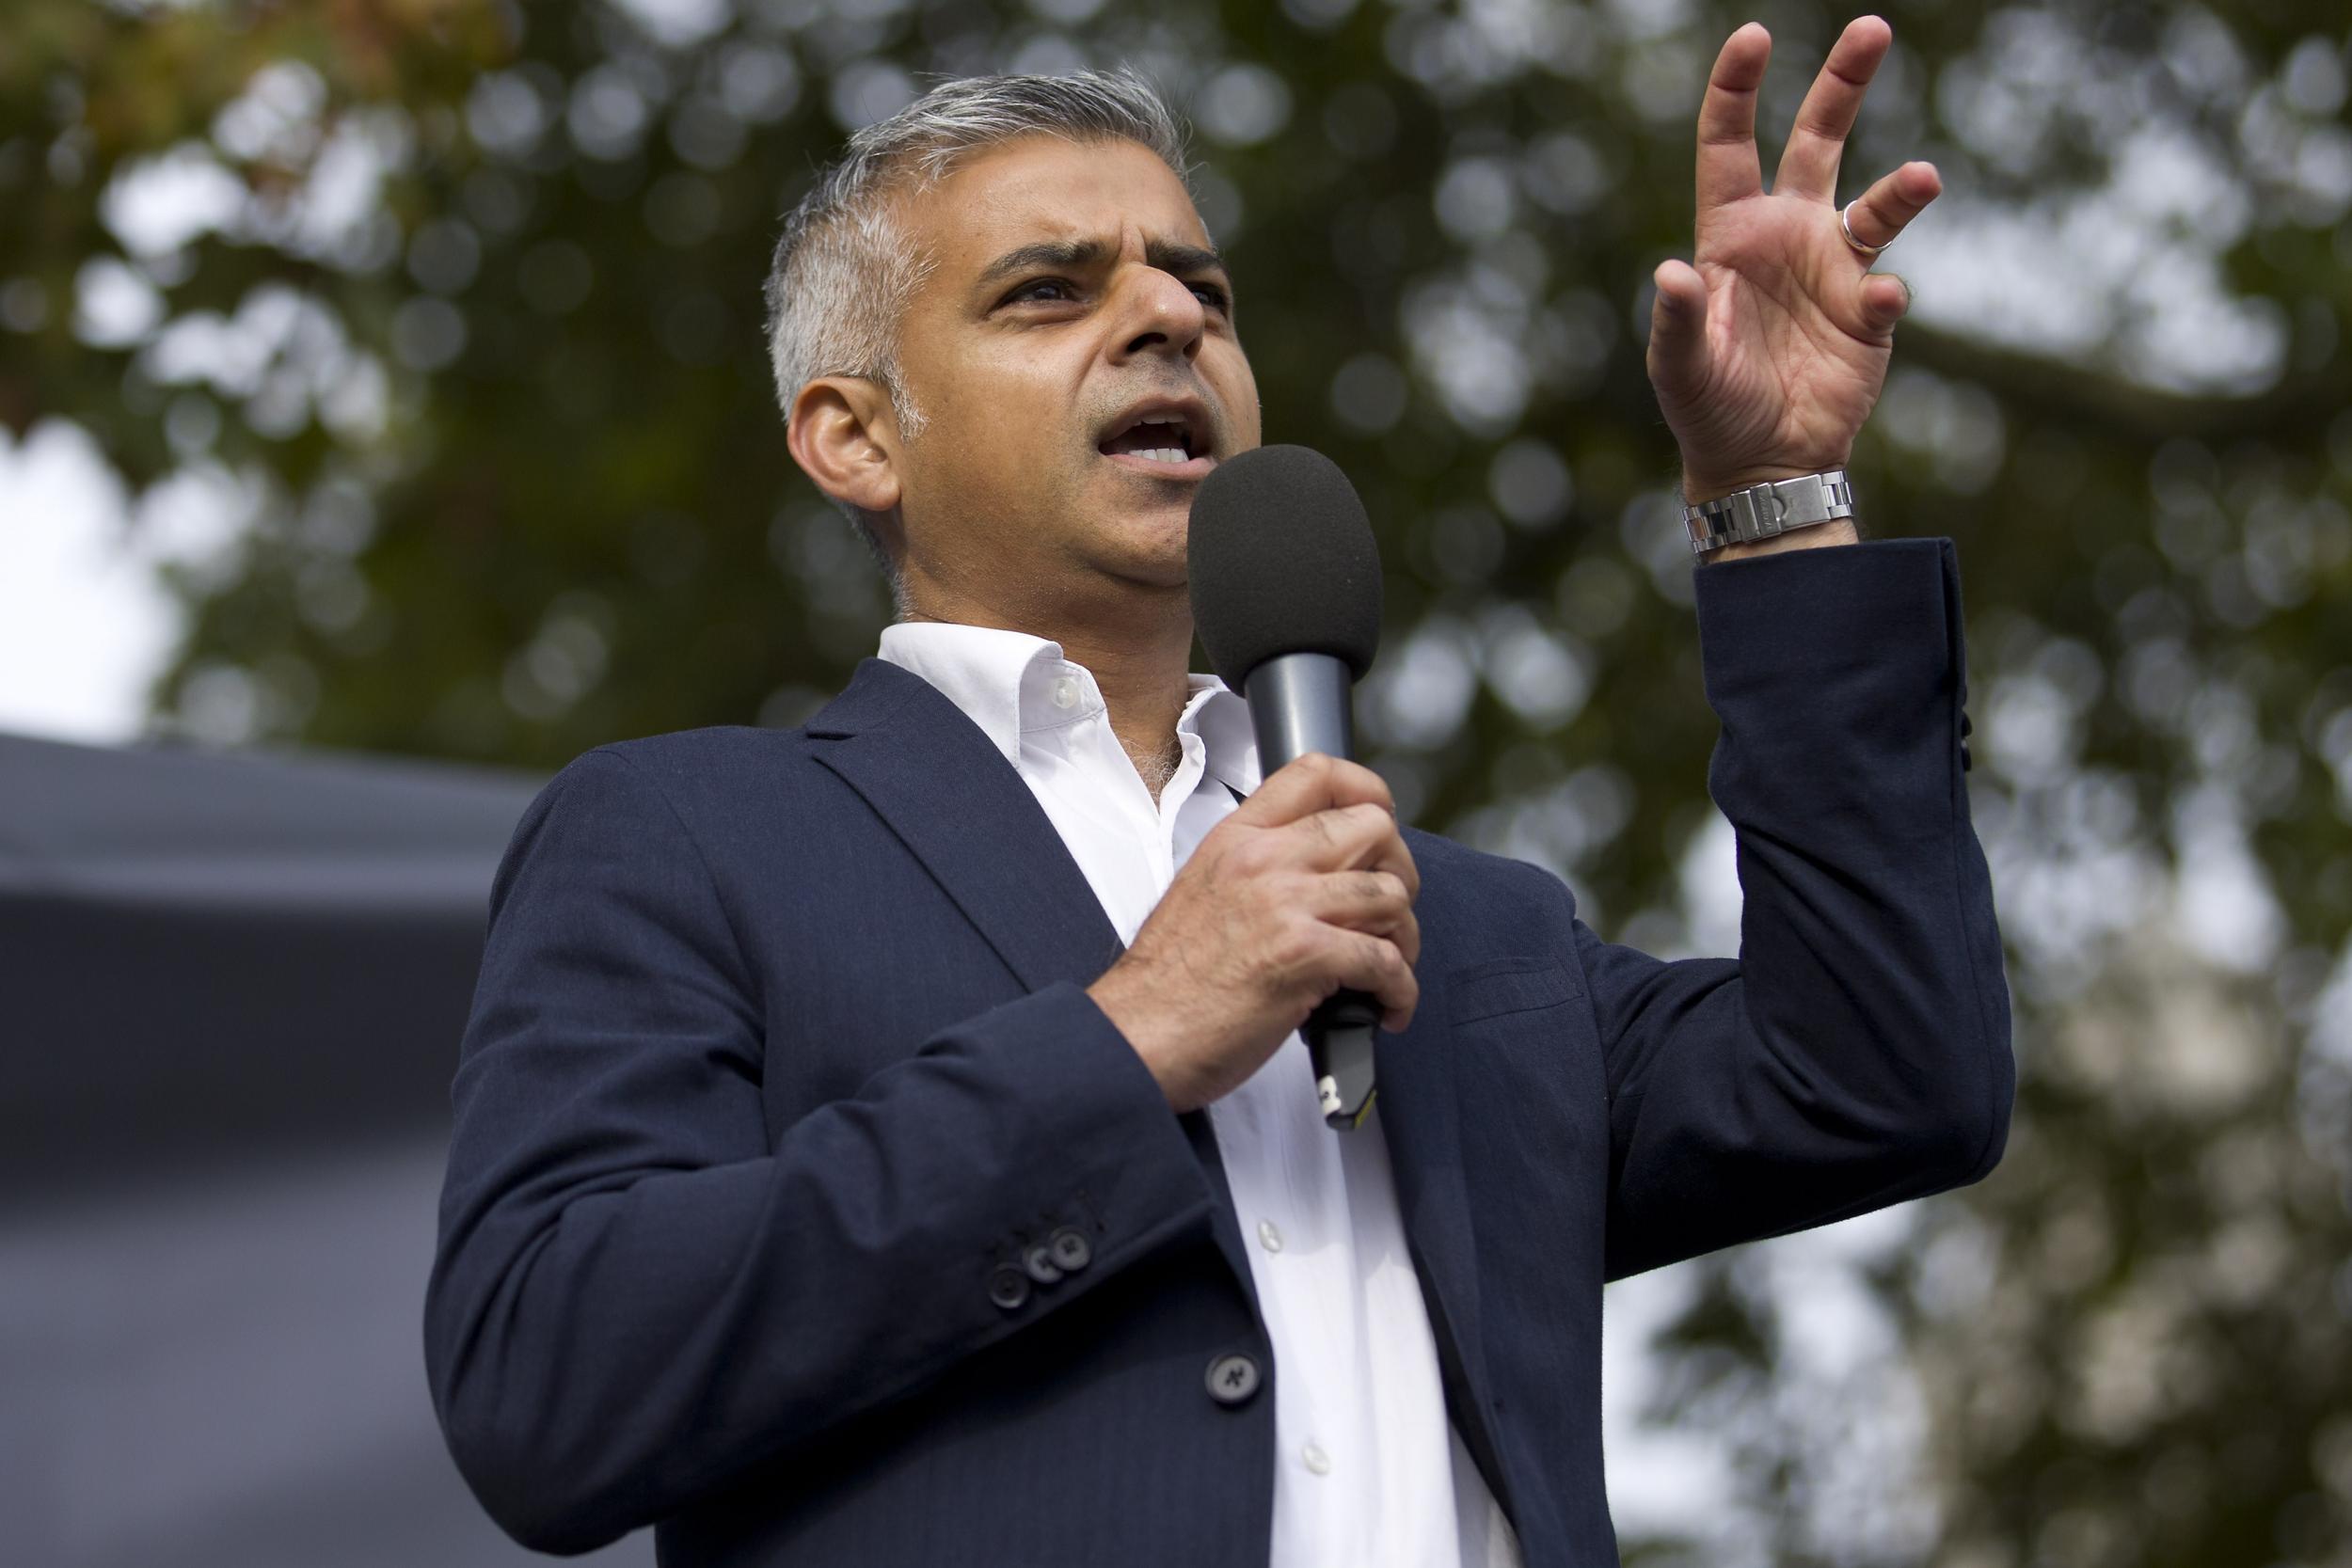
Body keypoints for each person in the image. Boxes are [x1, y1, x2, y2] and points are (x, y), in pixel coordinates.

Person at [424, 19, 2011, 1568]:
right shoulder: (692, 838)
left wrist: (1773, 504)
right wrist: (1126, 1044)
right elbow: (549, 1377)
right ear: (853, 437)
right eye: (1050, 291)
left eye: (1203, 291)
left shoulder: (1470, 927)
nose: (1167, 319)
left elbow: (1882, 1078)